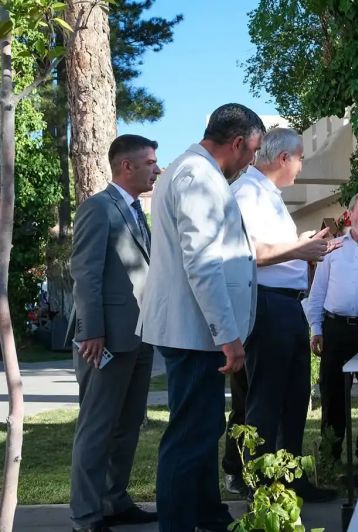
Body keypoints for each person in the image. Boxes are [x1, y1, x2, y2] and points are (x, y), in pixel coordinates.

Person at [138, 103, 263, 532]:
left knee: (201, 428)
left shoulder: (193, 170)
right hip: (193, 333)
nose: (251, 163)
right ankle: (177, 524)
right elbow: (202, 263)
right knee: (190, 434)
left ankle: (208, 514)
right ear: (238, 143)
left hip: (194, 331)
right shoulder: (197, 175)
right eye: (253, 152)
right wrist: (228, 336)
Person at [230, 127, 340, 502]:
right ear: (283, 159)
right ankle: (262, 486)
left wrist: (306, 246)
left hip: (289, 303)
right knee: (266, 399)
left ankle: (290, 478)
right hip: (266, 303)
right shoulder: (247, 193)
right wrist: (300, 249)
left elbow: (279, 249)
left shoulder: (270, 195)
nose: (302, 165)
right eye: (300, 158)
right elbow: (251, 253)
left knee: (294, 397)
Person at [68, 134, 160, 532]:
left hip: (139, 338)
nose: (156, 169)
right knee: (96, 428)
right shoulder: (98, 209)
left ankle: (113, 500)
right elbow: (85, 275)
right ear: (127, 166)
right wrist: (92, 332)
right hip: (103, 341)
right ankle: (86, 515)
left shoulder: (138, 212)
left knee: (128, 425)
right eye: (150, 162)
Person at [304, 192, 358, 465]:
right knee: (333, 396)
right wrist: (316, 328)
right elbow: (317, 292)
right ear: (350, 214)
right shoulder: (333, 249)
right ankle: (330, 459)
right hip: (336, 328)